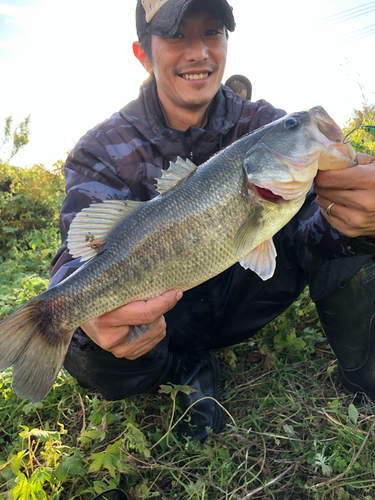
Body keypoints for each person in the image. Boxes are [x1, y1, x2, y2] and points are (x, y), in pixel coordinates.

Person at [50, 0, 375, 442]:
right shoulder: (100, 149)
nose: (198, 52)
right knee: (82, 337)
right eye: (176, 35)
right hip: (161, 319)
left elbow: (313, 234)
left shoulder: (264, 123)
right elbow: (76, 252)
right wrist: (81, 312)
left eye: (212, 32)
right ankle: (180, 364)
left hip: (244, 299)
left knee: (352, 228)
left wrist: (355, 218)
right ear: (142, 53)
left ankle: (365, 370)